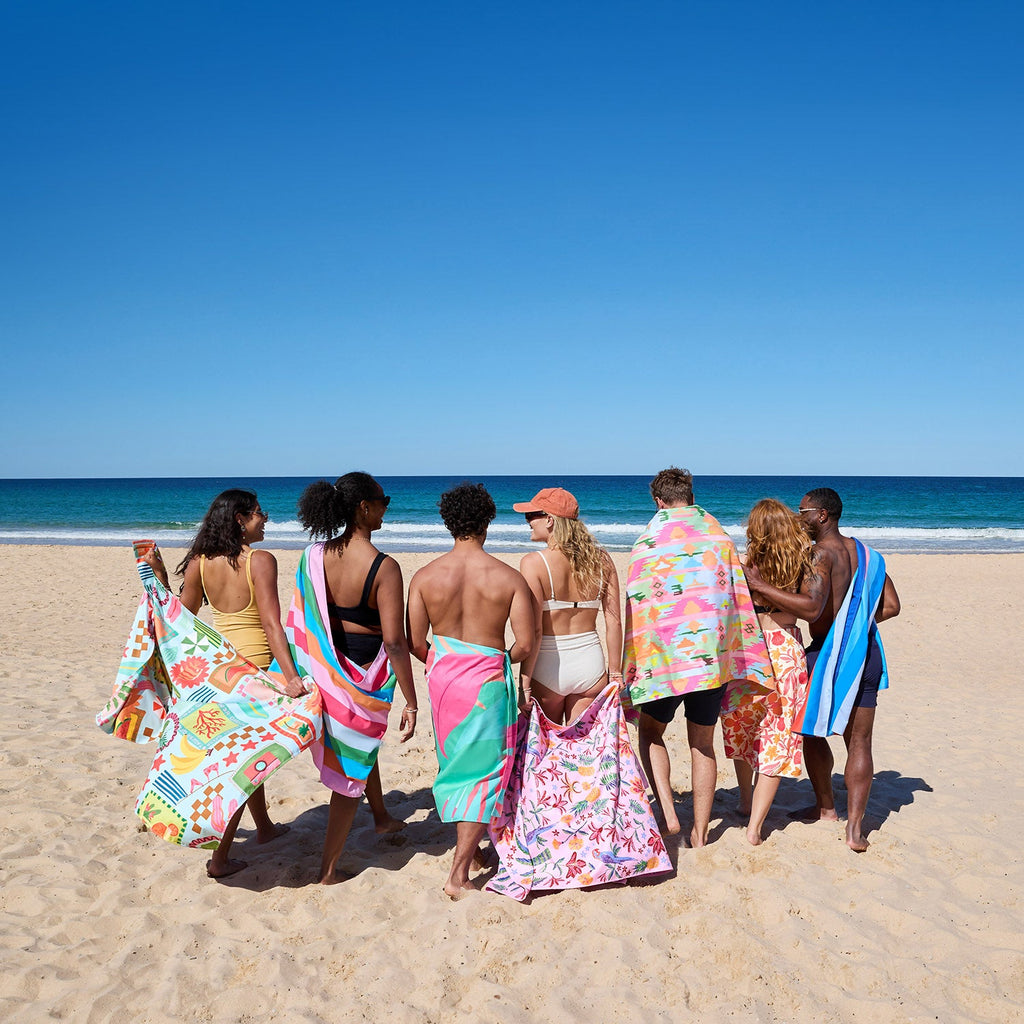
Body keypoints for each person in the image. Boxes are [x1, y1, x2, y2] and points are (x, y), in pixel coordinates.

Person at [145, 488, 306, 878]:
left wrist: (161, 580)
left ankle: (264, 828)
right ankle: (219, 860)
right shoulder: (261, 561)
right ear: (240, 519)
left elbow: (183, 619)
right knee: (241, 767)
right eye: (258, 513)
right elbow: (271, 624)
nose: (265, 518)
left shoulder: (200, 562)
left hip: (217, 673)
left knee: (241, 756)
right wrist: (291, 677)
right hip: (254, 675)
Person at [622, 468, 773, 848]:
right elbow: (735, 597)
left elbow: (638, 605)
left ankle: (669, 812)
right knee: (702, 744)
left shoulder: (647, 543)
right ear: (690, 495)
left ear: (658, 501)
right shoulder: (720, 539)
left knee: (651, 732)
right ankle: (701, 833)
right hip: (710, 660)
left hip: (663, 663)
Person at [744, 487, 900, 852]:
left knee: (809, 732)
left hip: (830, 654)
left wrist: (759, 585)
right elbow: (892, 606)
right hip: (868, 653)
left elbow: (811, 610)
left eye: (804, 513)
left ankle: (827, 807)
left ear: (823, 515)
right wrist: (855, 621)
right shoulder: (869, 555)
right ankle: (855, 831)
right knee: (859, 742)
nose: (800, 519)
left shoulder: (819, 555)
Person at [406, 483, 535, 899]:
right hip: (487, 683)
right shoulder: (508, 578)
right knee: (484, 771)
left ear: (448, 522)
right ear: (487, 521)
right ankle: (458, 874)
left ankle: (473, 851)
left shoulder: (424, 577)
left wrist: (446, 660)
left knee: (456, 764)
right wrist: (494, 659)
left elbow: (415, 640)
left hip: (444, 681)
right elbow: (526, 644)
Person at [295, 472, 418, 883]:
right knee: (351, 766)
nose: (387, 507)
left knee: (361, 745)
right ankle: (328, 869)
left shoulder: (314, 556)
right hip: (364, 672)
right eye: (384, 500)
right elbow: (396, 642)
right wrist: (413, 700)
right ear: (364, 507)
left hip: (326, 666)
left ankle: (381, 815)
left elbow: (306, 617)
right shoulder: (384, 567)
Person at [720, 499, 814, 845]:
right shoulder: (802, 565)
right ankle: (755, 827)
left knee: (741, 727)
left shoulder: (744, 566)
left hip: (749, 651)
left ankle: (746, 800)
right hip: (785, 648)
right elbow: (812, 609)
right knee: (778, 736)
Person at [512, 487, 622, 724]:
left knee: (545, 750)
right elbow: (613, 621)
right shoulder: (602, 559)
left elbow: (536, 631)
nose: (528, 522)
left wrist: (524, 682)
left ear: (550, 520)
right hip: (590, 666)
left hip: (548, 667)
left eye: (532, 516)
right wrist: (615, 673)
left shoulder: (533, 563)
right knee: (581, 753)